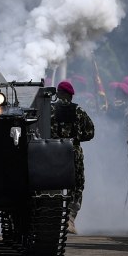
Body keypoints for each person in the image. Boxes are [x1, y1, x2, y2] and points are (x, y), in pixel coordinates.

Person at [50, 81, 95, 234]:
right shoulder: (79, 111)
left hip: (53, 150)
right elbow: (90, 132)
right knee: (76, 185)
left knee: (51, 184)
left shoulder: (49, 109)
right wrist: (76, 138)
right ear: (70, 95)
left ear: (59, 93)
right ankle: (70, 220)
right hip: (73, 150)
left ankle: (51, 217)